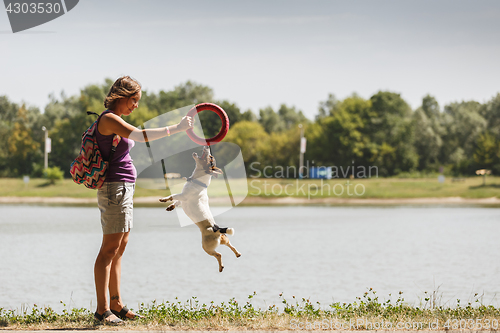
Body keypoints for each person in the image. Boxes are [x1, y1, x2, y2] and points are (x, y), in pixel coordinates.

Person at [93, 76, 194, 324]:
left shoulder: (118, 120)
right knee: (108, 250)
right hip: (114, 189)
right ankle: (102, 310)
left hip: (124, 189)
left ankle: (116, 304)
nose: (136, 106)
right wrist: (177, 128)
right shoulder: (108, 119)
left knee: (119, 248)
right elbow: (140, 136)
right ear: (122, 97)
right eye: (134, 100)